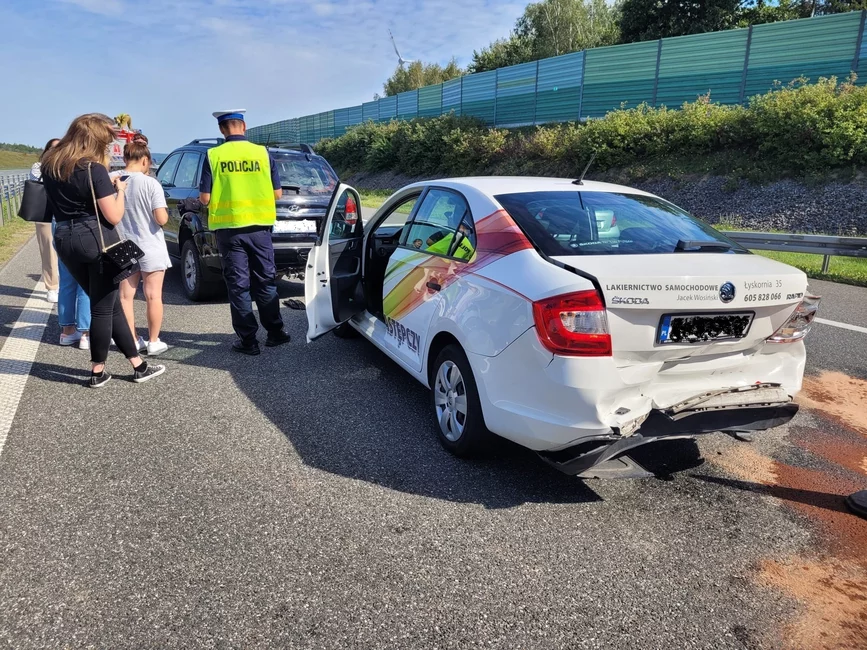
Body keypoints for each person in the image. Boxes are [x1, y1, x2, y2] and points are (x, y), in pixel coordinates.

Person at [41, 113, 165, 387]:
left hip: (63, 237)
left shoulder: (51, 165)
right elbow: (114, 216)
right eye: (107, 141)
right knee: (101, 308)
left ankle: (138, 365)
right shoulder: (93, 169)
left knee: (108, 303)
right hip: (93, 240)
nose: (109, 146)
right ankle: (97, 370)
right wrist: (119, 190)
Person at [198, 109, 290, 356]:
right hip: (260, 228)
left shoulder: (213, 155)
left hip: (229, 231)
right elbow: (277, 193)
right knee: (265, 281)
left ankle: (248, 341)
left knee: (239, 286)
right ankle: (275, 332)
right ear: (244, 126)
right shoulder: (262, 153)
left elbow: (205, 198)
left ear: (221, 129)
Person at [113, 142, 170, 356]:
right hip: (150, 245)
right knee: (153, 295)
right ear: (145, 160)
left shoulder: (113, 181)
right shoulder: (151, 183)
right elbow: (161, 218)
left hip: (123, 244)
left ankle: (133, 341)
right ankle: (154, 341)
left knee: (125, 297)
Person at [29, 140, 60, 303]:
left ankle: (62, 280)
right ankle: (51, 286)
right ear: (46, 150)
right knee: (47, 249)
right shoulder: (38, 167)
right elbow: (41, 182)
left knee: (65, 249)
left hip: (63, 213)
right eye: (53, 148)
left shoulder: (67, 166)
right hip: (45, 212)